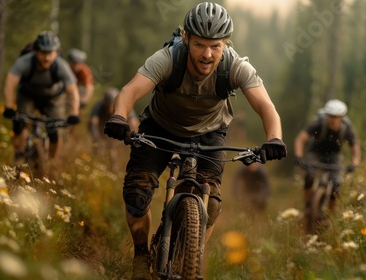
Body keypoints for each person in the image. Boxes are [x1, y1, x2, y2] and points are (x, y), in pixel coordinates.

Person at [103, 3, 287, 279]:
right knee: (137, 194)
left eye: (215, 46)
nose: (207, 54)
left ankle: (190, 256)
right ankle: (141, 256)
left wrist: (274, 138)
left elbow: (265, 106)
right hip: (160, 127)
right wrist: (119, 116)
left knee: (210, 204)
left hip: (210, 132)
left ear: (226, 43)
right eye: (200, 45)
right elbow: (130, 91)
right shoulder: (167, 59)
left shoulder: (234, 66)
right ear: (186, 38)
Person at [2, 30, 80, 170]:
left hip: (53, 99)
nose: (47, 57)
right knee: (19, 123)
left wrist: (74, 113)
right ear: (36, 52)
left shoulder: (61, 66)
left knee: (54, 131)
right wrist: (8, 107)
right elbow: (10, 83)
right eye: (43, 52)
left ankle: (51, 164)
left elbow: (72, 90)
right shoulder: (24, 62)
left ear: (56, 53)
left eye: (50, 53)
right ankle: (18, 156)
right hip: (28, 95)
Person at [294, 99, 361, 225]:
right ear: (326, 115)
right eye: (330, 116)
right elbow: (300, 139)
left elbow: (355, 148)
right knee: (309, 176)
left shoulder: (346, 129)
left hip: (334, 157)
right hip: (316, 153)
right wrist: (298, 157)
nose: (333, 119)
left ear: (342, 118)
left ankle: (329, 216)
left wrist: (354, 163)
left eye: (336, 117)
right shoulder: (319, 123)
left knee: (336, 185)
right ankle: (308, 206)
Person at [89, 87, 139, 173]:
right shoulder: (99, 106)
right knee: (98, 147)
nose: (110, 108)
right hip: (102, 130)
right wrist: (97, 137)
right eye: (109, 104)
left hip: (119, 131)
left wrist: (131, 139)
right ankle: (96, 167)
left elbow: (134, 122)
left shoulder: (125, 105)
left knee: (112, 149)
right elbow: (93, 122)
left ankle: (113, 169)